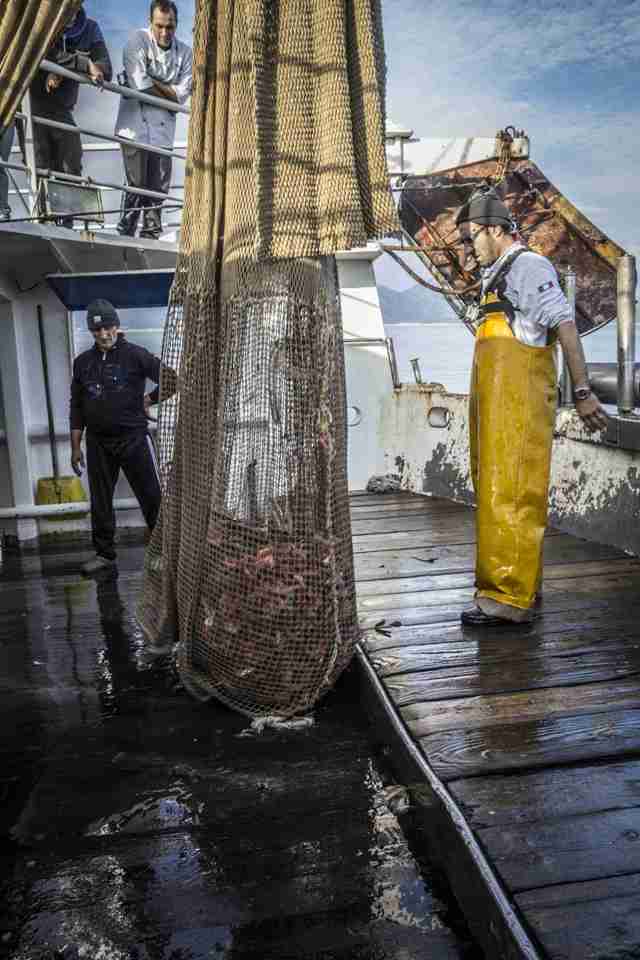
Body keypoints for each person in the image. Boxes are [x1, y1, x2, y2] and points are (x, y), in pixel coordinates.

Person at [455, 189, 608, 626]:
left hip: (519, 401)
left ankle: (510, 600)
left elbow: (565, 326)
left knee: (514, 492)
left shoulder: (529, 266)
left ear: (496, 230)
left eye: (473, 237)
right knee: (494, 489)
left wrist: (582, 392)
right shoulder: (498, 272)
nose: (470, 247)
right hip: (495, 400)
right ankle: (508, 589)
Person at [69, 299, 170, 577]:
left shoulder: (136, 355)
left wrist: (149, 398)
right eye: (97, 330)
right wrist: (75, 446)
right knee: (100, 500)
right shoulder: (83, 363)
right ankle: (104, 554)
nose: (103, 335)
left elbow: (172, 379)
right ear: (91, 331)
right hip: (98, 442)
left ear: (117, 326)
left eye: (109, 327)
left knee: (151, 497)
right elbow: (76, 406)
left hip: (134, 438)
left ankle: (163, 552)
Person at [115, 1, 192, 239]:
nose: (164, 32)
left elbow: (181, 96)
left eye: (170, 27)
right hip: (134, 127)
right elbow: (141, 86)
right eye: (159, 26)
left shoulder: (186, 53)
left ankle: (151, 236)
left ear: (176, 25)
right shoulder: (136, 41)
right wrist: (167, 90)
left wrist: (153, 82)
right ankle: (125, 234)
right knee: (136, 184)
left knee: (158, 188)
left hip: (163, 132)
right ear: (151, 22)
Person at [29, 1, 112, 223]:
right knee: (40, 163)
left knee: (71, 162)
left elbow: (105, 67)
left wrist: (62, 72)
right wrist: (82, 63)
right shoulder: (44, 21)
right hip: (32, 104)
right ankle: (42, 221)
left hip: (63, 109)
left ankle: (67, 224)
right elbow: (39, 53)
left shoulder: (90, 29)